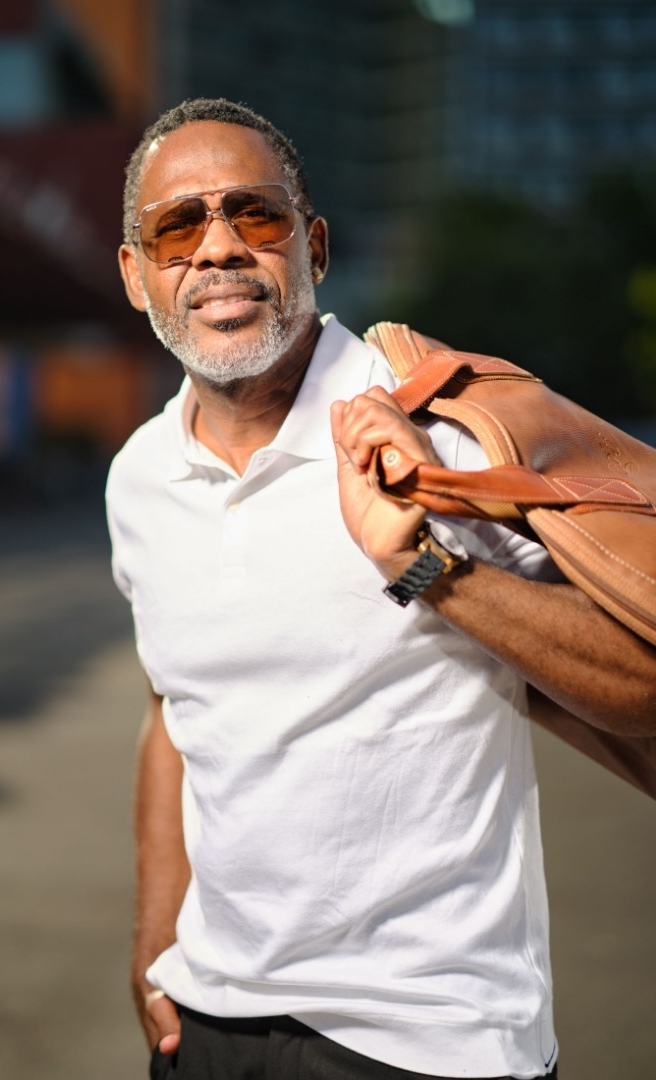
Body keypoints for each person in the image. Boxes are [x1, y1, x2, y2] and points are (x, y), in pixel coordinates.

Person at [106, 98, 655, 1080]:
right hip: (212, 1020)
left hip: (431, 1035)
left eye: (255, 214)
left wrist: (425, 566)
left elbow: (643, 688)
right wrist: (156, 942)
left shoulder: (438, 437)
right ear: (136, 274)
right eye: (177, 228)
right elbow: (171, 708)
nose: (219, 247)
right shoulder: (139, 476)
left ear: (312, 245)